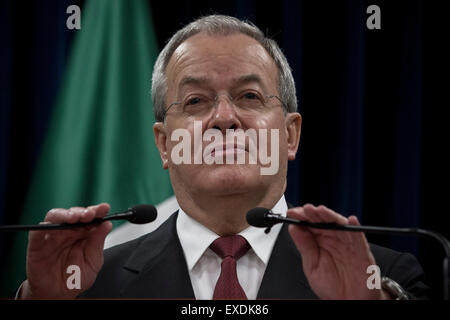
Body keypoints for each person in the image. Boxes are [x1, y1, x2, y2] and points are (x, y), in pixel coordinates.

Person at [18, 15, 429, 300]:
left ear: (290, 134)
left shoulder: (387, 278)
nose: (224, 118)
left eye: (249, 96)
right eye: (196, 101)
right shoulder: (88, 287)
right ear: (163, 145)